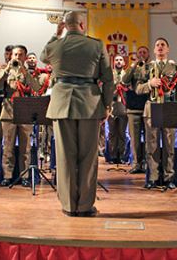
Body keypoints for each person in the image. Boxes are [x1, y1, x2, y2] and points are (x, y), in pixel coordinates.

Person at [40, 11, 114, 217]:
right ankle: (84, 205)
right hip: (89, 104)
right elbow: (107, 79)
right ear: (82, 24)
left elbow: (42, 56)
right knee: (88, 157)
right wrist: (107, 105)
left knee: (64, 156)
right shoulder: (96, 45)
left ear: (65, 25)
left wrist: (56, 35)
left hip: (62, 103)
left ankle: (69, 206)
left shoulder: (55, 46)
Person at [137, 38, 177, 189]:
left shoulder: (174, 67)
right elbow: (137, 88)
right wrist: (149, 84)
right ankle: (153, 177)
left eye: (163, 45)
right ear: (154, 50)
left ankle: (169, 177)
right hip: (151, 107)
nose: (160, 47)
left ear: (168, 49)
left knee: (169, 146)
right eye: (157, 45)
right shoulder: (146, 68)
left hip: (169, 108)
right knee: (152, 145)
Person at [0, 45, 40, 186]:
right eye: (15, 55)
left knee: (25, 147)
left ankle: (25, 176)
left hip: (25, 110)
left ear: (25, 57)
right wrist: (7, 69)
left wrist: (25, 73)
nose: (17, 57)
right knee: (8, 146)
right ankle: (7, 176)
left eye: (20, 55)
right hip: (9, 111)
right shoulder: (5, 71)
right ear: (11, 56)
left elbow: (36, 87)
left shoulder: (29, 72)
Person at [121, 45, 150, 173]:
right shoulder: (132, 68)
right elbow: (125, 80)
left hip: (148, 107)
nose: (142, 54)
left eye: (144, 52)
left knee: (150, 139)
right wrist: (133, 66)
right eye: (140, 52)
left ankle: (147, 164)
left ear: (148, 55)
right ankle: (136, 164)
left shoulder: (152, 68)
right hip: (133, 108)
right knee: (135, 140)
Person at [109, 55, 129, 164]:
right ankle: (112, 155)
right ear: (113, 62)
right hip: (112, 104)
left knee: (122, 132)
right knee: (112, 132)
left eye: (120, 60)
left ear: (124, 63)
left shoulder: (127, 75)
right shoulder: (109, 75)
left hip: (123, 104)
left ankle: (122, 155)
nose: (118, 61)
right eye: (116, 60)